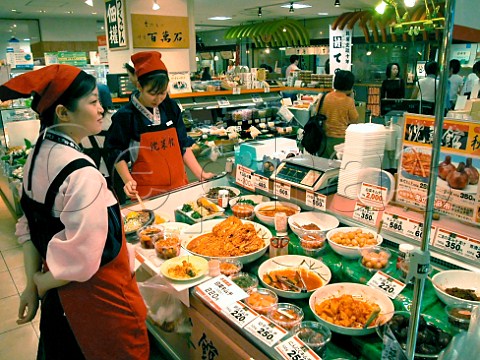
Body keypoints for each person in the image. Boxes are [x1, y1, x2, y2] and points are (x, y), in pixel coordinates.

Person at [0, 64, 149, 359]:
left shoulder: (36, 156)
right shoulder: (82, 174)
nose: (102, 110)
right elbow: (82, 260)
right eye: (93, 102)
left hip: (60, 300)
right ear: (63, 113)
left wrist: (33, 284)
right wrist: (39, 284)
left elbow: (28, 227)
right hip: (101, 304)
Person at [105, 51, 215, 199]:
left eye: (162, 93)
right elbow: (116, 151)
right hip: (146, 193)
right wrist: (128, 180)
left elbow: (182, 144)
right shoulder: (126, 116)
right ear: (139, 85)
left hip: (179, 187)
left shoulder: (170, 107)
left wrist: (201, 174)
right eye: (152, 93)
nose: (158, 99)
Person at [319, 69, 359, 158]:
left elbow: (317, 112)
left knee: (324, 167)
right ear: (350, 85)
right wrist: (352, 98)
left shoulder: (325, 96)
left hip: (324, 139)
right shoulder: (348, 101)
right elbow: (354, 120)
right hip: (340, 141)